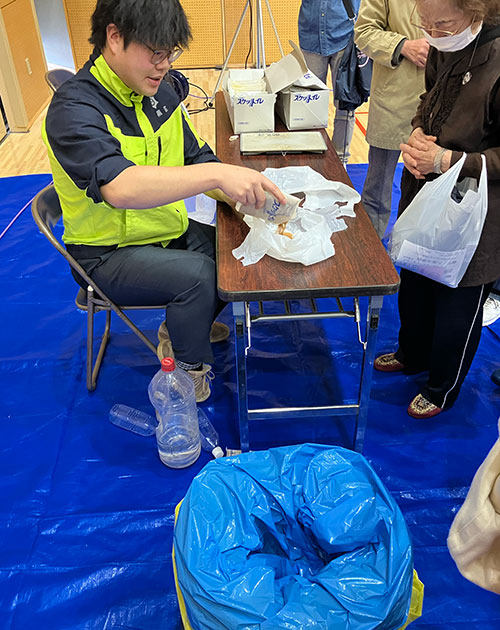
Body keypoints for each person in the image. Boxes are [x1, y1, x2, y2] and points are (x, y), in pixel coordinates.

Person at [42, 0, 286, 403]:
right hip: (104, 254)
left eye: (171, 53)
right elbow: (119, 186)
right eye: (156, 52)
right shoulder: (74, 108)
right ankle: (187, 370)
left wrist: (246, 197)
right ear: (114, 37)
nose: (164, 65)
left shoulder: (160, 93)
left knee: (234, 249)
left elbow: (197, 158)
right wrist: (219, 176)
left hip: (161, 228)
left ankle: (181, 330)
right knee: (199, 276)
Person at [374, 0, 500, 418]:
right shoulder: (444, 45)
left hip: (476, 207)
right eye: (424, 23)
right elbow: (429, 99)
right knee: (415, 281)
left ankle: (442, 386)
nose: (432, 34)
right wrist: (416, 133)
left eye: (442, 24)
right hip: (426, 188)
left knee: (457, 304)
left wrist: (448, 160)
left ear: (477, 10)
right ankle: (411, 352)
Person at [354, 0, 429, 239]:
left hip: (441, 100)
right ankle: (369, 247)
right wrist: (403, 46)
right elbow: (363, 31)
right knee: (378, 187)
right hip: (395, 99)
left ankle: (417, 248)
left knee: (431, 187)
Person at [298, 0, 361, 163]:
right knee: (311, 104)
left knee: (345, 104)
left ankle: (341, 159)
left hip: (345, 36)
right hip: (311, 36)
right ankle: (312, 156)